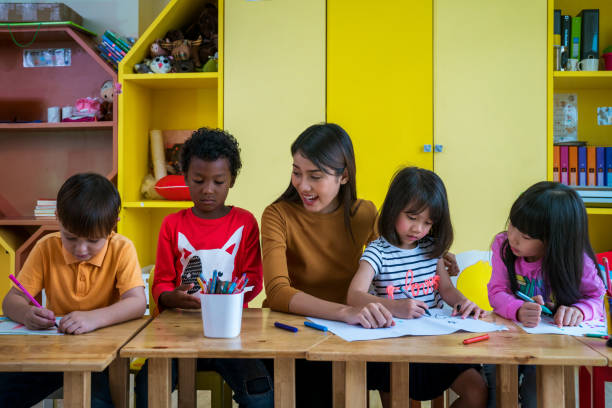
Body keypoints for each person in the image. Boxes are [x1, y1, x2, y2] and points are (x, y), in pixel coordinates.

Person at [261, 124, 459, 407]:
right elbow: (278, 291)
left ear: (344, 176)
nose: (302, 185)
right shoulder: (277, 215)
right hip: (296, 332)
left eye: (315, 176)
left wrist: (435, 258)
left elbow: (393, 257)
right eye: (296, 172)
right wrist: (345, 312)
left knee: (394, 376)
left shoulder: (364, 213)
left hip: (352, 332)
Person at [135, 127, 273, 408]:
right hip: (178, 332)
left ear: (231, 180)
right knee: (148, 387)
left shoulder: (245, 223)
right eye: (198, 180)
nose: (208, 189)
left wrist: (227, 300)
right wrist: (170, 296)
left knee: (261, 392)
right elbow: (160, 281)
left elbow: (253, 279)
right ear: (185, 177)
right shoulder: (172, 225)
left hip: (231, 333)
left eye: (218, 181)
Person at [0, 173, 147, 408]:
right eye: (70, 237)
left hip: (103, 355)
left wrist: (94, 318)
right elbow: (11, 301)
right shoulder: (46, 247)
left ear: (113, 225)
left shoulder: (122, 248)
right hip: (54, 353)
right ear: (58, 219)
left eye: (93, 241)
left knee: (97, 400)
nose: (81, 249)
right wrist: (26, 314)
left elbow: (137, 302)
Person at [347, 166, 487, 407]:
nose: (418, 229)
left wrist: (463, 303)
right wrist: (395, 307)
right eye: (412, 218)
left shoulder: (431, 249)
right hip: (395, 350)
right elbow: (354, 296)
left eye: (428, 222)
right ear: (393, 209)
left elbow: (447, 290)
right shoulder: (377, 252)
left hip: (438, 345)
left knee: (477, 391)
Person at [486, 181, 605, 408]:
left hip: (552, 344)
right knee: (496, 385)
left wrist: (580, 310)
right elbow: (497, 291)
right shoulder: (503, 246)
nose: (513, 237)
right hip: (509, 337)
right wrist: (518, 309)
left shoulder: (577, 260)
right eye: (512, 225)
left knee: (536, 391)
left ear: (555, 240)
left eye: (527, 236)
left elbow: (597, 299)